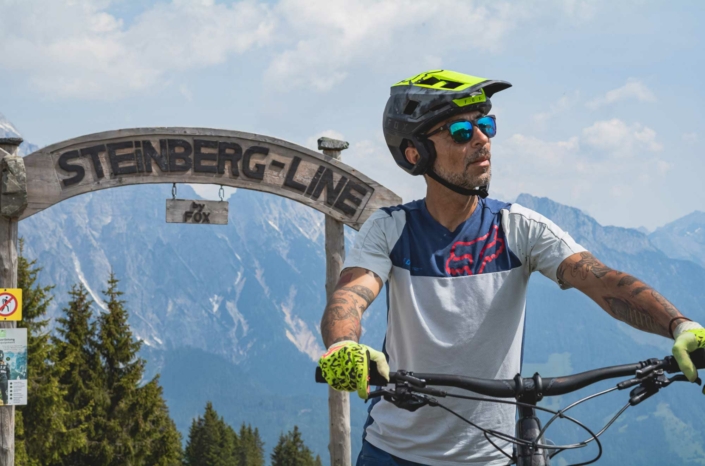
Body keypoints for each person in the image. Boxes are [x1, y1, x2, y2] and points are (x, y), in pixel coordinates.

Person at [318, 70, 705, 466]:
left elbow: (602, 280)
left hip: (493, 454)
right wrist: (344, 345)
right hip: (394, 451)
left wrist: (680, 324)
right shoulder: (391, 229)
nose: (483, 139)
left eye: (486, 125)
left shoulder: (517, 228)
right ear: (415, 153)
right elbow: (350, 296)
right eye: (461, 132)